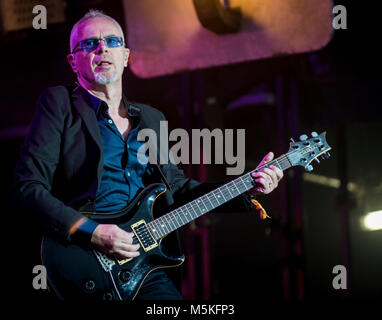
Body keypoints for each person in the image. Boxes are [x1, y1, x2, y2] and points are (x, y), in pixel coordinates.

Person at [12, 10, 283, 300]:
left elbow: (177, 190)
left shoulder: (152, 119)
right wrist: (93, 232)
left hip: (144, 265)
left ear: (126, 56)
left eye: (113, 41)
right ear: (72, 61)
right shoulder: (59, 104)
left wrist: (247, 187)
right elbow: (27, 188)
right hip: (84, 258)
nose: (102, 48)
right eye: (89, 43)